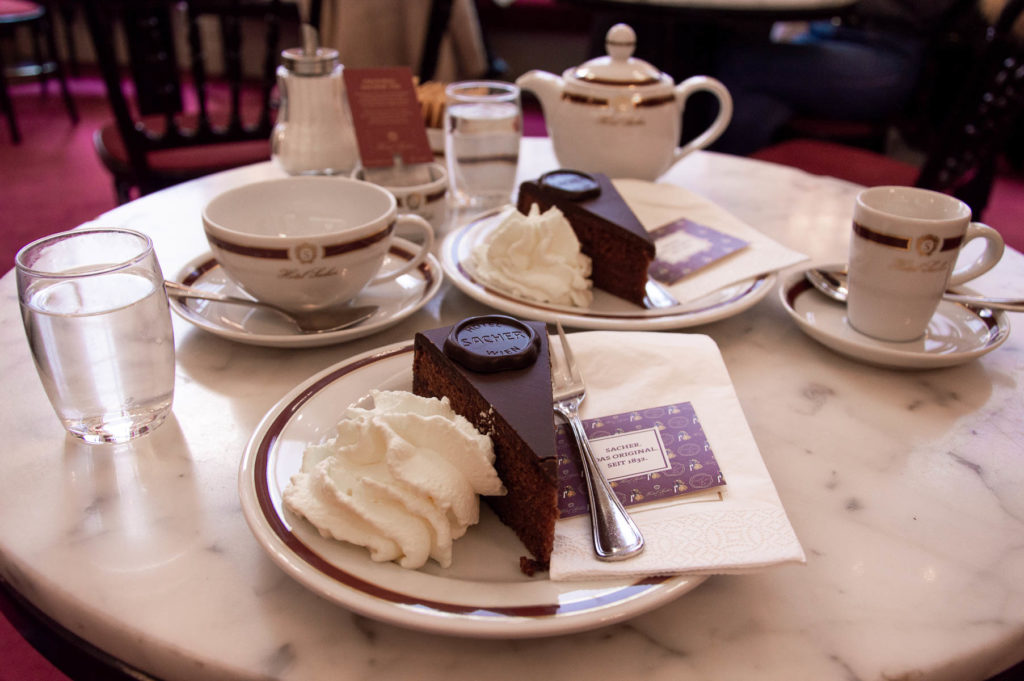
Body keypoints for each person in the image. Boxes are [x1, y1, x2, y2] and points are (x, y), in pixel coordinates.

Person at [710, 0, 968, 156]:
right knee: (756, 85)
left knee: (742, 65)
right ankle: (743, 193)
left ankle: (722, 185)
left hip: (888, 53)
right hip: (830, 34)